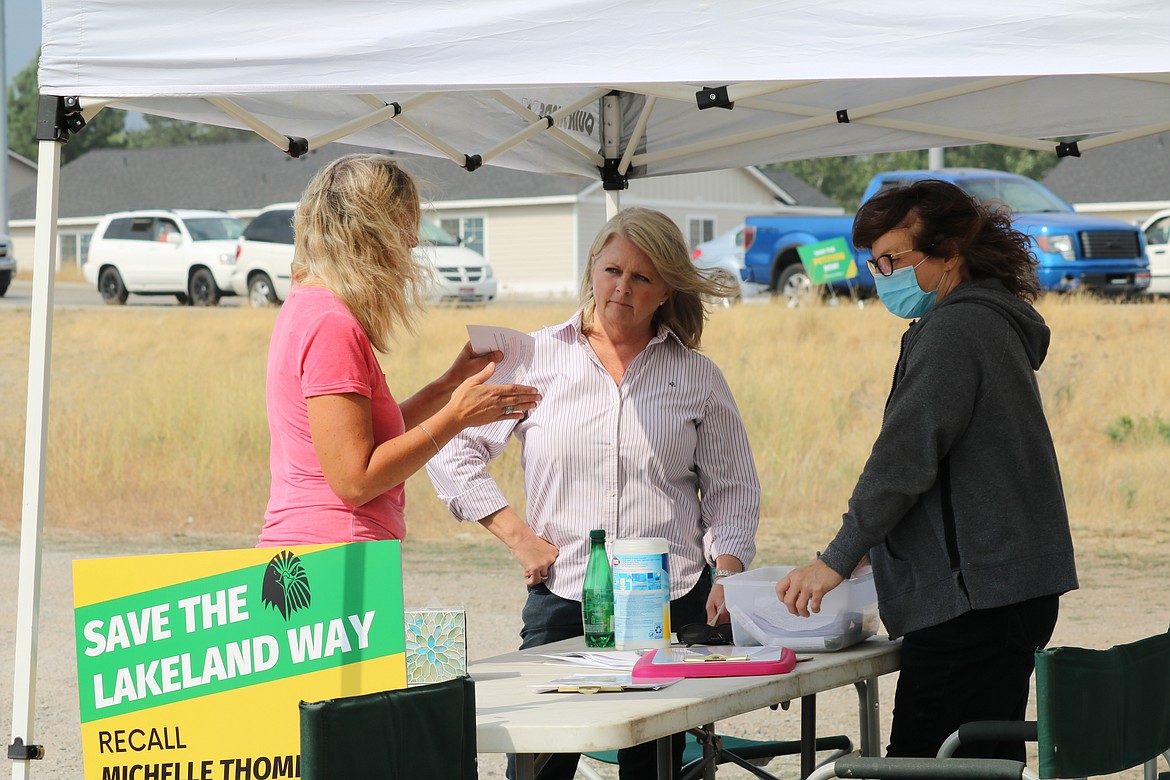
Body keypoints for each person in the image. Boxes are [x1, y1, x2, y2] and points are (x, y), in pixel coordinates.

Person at [427, 207, 761, 779]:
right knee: (540, 772)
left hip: (673, 607)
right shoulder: (533, 358)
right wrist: (518, 536)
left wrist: (726, 573)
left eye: (641, 278)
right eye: (612, 270)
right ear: (591, 270)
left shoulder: (698, 377)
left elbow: (733, 489)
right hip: (564, 599)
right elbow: (452, 451)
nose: (621, 288)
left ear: (666, 291)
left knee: (653, 771)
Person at [774, 179, 1078, 760]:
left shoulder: (956, 330)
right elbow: (951, 469)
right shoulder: (989, 321)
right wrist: (873, 546)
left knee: (928, 764)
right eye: (874, 262)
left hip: (975, 598)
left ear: (949, 253)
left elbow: (903, 460)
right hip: (1009, 587)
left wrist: (837, 556)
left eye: (894, 259)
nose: (880, 274)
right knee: (983, 759)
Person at [258, 153, 541, 547]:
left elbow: (369, 439)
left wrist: (447, 386)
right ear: (369, 232)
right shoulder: (331, 324)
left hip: (319, 545)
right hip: (335, 551)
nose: (411, 242)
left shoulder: (310, 304)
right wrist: (457, 417)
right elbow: (356, 481)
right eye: (403, 226)